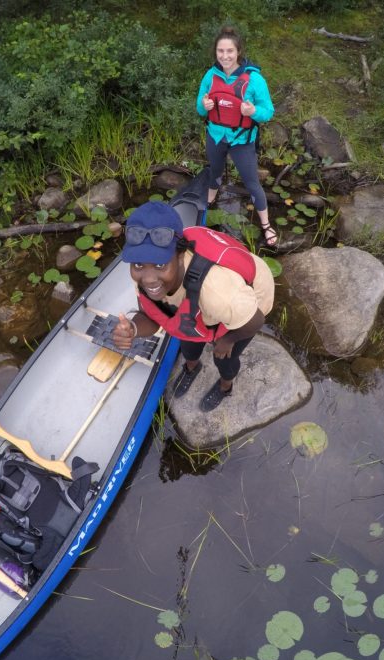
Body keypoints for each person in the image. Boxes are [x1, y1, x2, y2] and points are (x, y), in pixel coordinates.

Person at [111, 201, 275, 412]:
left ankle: (226, 386)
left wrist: (227, 340)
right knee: (188, 345)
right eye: (139, 265)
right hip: (210, 301)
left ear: (180, 256)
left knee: (224, 359)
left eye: (160, 264)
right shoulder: (144, 273)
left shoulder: (219, 294)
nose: (149, 279)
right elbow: (151, 315)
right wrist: (132, 330)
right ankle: (192, 367)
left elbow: (255, 321)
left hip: (250, 300)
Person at [197, 26, 276, 247]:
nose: (225, 56)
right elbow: (199, 108)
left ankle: (266, 224)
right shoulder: (210, 76)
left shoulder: (254, 79)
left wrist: (253, 113)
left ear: (238, 51)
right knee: (214, 171)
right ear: (215, 52)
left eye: (229, 51)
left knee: (252, 183)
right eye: (220, 51)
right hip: (215, 135)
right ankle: (210, 198)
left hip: (242, 140)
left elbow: (268, 111)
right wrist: (204, 106)